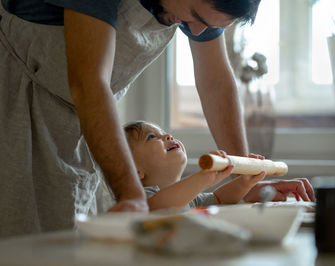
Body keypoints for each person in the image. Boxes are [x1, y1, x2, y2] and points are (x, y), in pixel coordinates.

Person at [0, 0, 262, 238]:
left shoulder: (199, 6)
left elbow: (216, 83)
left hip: (82, 127)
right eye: (195, 17)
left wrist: (244, 175)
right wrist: (131, 195)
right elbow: (88, 82)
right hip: (14, 108)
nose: (196, 33)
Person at [124, 121, 314, 210]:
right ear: (136, 171)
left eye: (164, 132)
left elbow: (219, 199)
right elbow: (160, 206)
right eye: (151, 137)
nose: (168, 136)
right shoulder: (142, 199)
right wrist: (203, 178)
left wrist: (244, 182)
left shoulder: (191, 198)